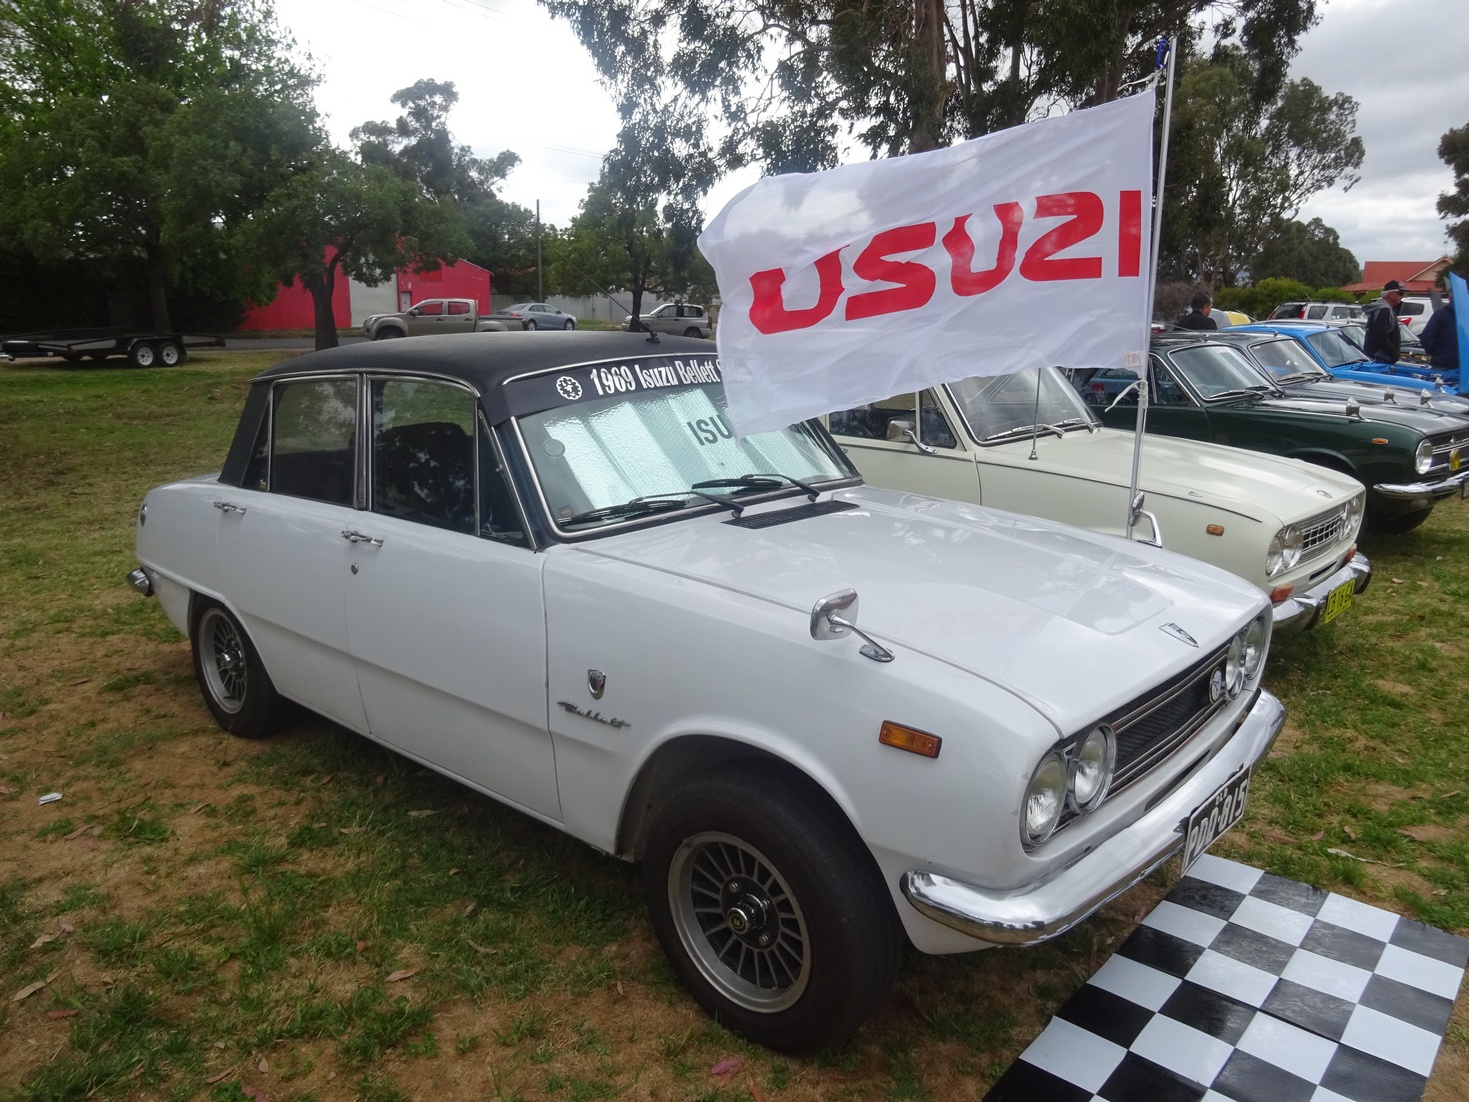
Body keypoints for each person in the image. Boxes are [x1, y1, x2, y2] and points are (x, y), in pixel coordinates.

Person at [1362, 279, 1407, 364]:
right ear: (1391, 294)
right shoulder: (1384, 311)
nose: (1402, 296)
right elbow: (1381, 336)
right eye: (1400, 293)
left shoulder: (1385, 309)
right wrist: (1393, 354)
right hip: (1381, 359)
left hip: (1381, 358)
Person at [1419, 297, 1458, 373]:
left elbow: (1426, 339)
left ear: (1450, 298)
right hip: (1464, 366)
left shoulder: (1440, 314)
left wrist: (1435, 353)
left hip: (1441, 363)